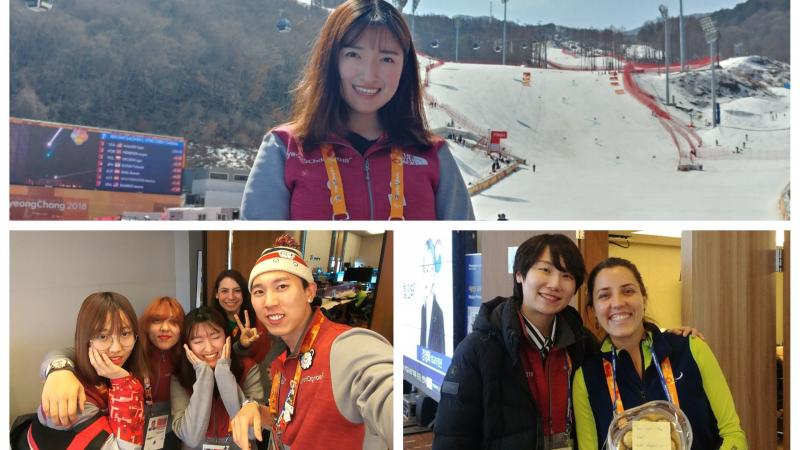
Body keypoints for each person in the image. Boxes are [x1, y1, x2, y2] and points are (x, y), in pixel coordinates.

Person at [240, 0, 474, 220]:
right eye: (353, 55)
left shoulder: (433, 154)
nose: (369, 75)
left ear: (405, 68)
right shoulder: (284, 148)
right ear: (331, 60)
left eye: (387, 59)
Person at [432, 234, 596, 450]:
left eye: (566, 275)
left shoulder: (583, 343)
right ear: (520, 274)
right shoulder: (478, 349)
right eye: (545, 270)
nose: (555, 284)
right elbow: (453, 438)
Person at [230, 234, 393, 450]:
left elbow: (388, 396)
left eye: (282, 287)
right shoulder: (285, 359)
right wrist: (254, 409)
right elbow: (288, 422)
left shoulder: (347, 347)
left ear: (309, 292)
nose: (269, 302)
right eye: (259, 291)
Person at [572, 257, 747, 450]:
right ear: (593, 311)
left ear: (644, 299)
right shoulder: (587, 377)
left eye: (628, 291)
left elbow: (731, 433)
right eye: (604, 295)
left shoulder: (691, 348)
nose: (618, 302)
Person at [39, 296, 186, 449]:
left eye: (124, 333)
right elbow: (69, 352)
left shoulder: (137, 356)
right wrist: (58, 370)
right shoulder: (76, 393)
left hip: (160, 427)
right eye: (103, 336)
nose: (116, 348)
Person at [171, 307, 263, 450]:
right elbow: (191, 437)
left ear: (227, 337)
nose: (209, 348)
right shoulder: (179, 377)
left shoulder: (248, 368)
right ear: (187, 345)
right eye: (197, 341)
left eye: (215, 337)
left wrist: (223, 374)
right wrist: (204, 375)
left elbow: (251, 432)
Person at [420, 238, 445, 354]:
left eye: (430, 270)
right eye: (425, 270)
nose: (427, 277)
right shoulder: (422, 309)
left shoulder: (439, 313)